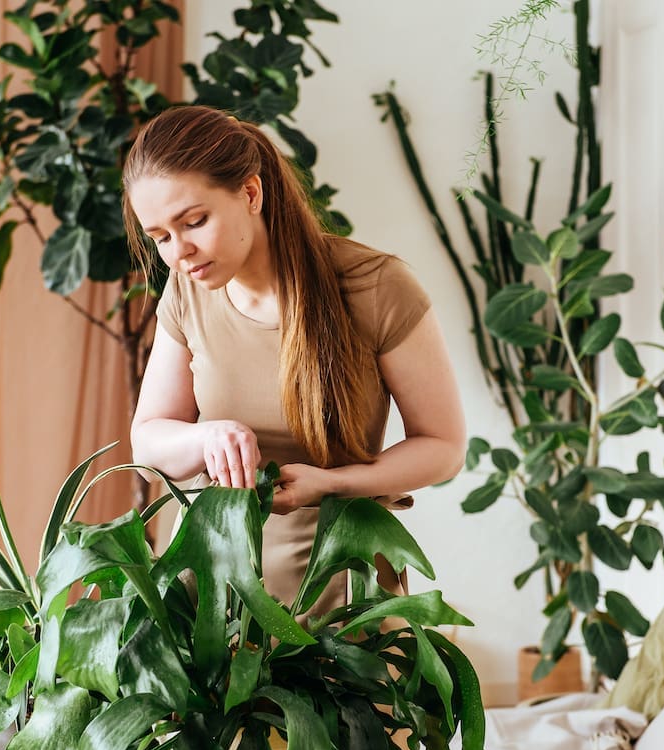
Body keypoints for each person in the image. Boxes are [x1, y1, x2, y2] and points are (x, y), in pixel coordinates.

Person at [123, 105, 465, 617]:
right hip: (211, 599)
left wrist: (333, 483)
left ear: (251, 193)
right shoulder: (185, 291)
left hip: (339, 594)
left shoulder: (375, 287)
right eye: (161, 238)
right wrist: (205, 437)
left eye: (194, 222)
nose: (180, 252)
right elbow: (148, 441)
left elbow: (443, 447)